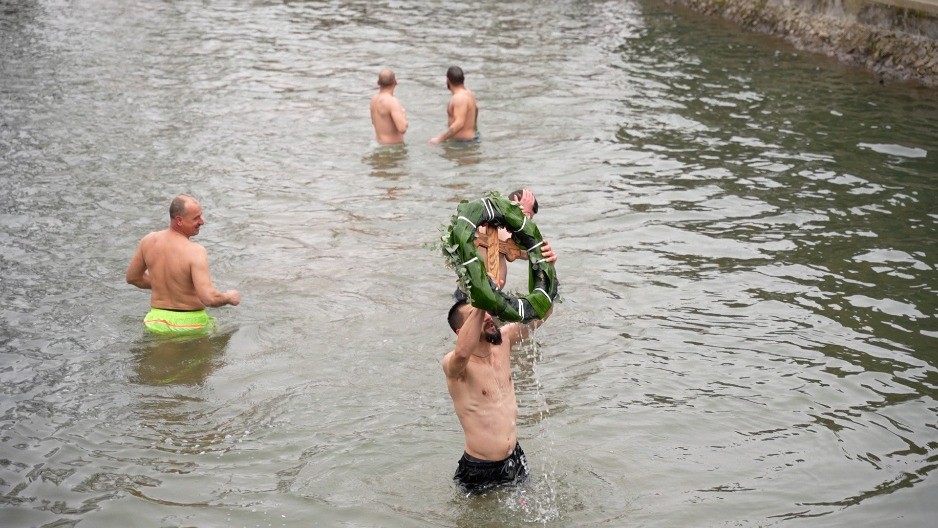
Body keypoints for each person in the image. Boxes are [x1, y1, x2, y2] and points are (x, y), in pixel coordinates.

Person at [443, 242, 557, 494]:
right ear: (463, 331)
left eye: (485, 311)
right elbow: (463, 351)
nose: (488, 316)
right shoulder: (455, 366)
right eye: (478, 315)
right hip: (479, 469)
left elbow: (542, 313)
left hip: (514, 457)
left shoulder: (504, 340)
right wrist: (483, 297)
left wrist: (546, 268)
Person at [126, 195, 240, 335]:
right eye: (196, 218)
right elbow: (209, 298)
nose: (202, 222)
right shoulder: (195, 251)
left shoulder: (148, 241)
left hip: (155, 322)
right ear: (179, 220)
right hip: (191, 325)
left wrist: (163, 283)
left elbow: (132, 277)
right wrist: (229, 297)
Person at [454, 188, 539, 301]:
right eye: (527, 217)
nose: (528, 221)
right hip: (474, 294)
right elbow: (531, 251)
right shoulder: (487, 226)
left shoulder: (508, 233)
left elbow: (528, 253)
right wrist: (520, 215)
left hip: (487, 293)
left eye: (530, 218)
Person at [428, 66, 478, 144]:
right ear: (463, 79)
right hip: (471, 139)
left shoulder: (459, 98)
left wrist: (439, 139)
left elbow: (459, 123)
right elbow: (476, 110)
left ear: (447, 80)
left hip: (462, 144)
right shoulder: (469, 93)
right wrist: (474, 128)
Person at [370, 69, 408, 145]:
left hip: (378, 144)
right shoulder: (392, 101)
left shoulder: (373, 100)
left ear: (378, 83)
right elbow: (402, 129)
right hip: (393, 149)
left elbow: (373, 122)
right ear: (396, 82)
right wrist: (403, 114)